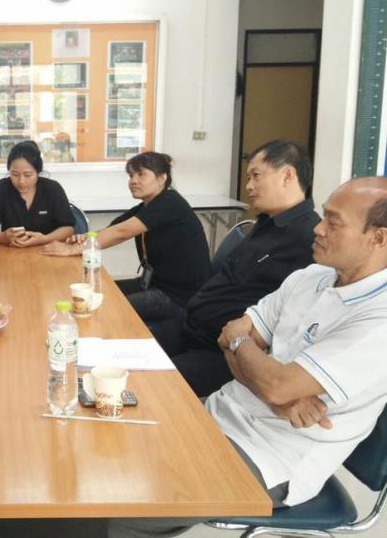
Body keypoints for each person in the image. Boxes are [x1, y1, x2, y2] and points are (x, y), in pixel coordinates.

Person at [108, 176, 387, 538]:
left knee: (113, 504)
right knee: (108, 442)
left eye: (334, 222)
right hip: (218, 412)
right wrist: (273, 388)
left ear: (378, 238)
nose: (318, 229)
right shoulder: (313, 276)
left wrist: (257, 363)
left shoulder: (378, 318)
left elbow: (272, 378)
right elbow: (232, 333)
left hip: (269, 457)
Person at [171, 140, 320, 397]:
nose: (249, 186)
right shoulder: (266, 225)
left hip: (222, 355)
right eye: (248, 177)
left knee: (145, 382)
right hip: (190, 330)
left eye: (256, 176)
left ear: (288, 175)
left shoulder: (309, 239)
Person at [42, 152, 211, 324]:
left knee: (101, 307)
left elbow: (121, 232)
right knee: (94, 294)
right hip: (153, 283)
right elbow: (113, 229)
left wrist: (72, 249)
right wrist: (82, 239)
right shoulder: (147, 206)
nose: (133, 181)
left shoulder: (171, 203)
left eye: (141, 174)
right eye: (131, 175)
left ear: (162, 178)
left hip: (179, 296)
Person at [0, 140, 75, 247]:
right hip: (11, 252)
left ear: (38, 172)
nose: (21, 181)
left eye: (28, 175)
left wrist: (45, 239)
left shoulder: (52, 189)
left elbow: (68, 229)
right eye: (15, 174)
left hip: (47, 250)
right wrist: (2, 238)